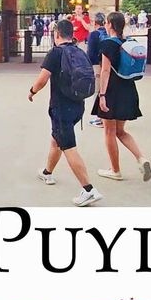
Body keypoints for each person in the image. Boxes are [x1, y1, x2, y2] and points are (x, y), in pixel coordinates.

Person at [29, 19, 103, 207]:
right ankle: (47, 172)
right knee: (57, 140)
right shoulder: (80, 51)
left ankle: (88, 189)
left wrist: (32, 91)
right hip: (78, 105)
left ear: (56, 34)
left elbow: (42, 79)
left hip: (61, 107)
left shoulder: (56, 53)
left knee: (68, 146)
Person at [92, 12, 151, 182]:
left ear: (110, 24)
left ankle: (115, 169)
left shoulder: (107, 44)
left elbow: (105, 70)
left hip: (112, 90)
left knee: (109, 132)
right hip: (128, 89)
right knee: (121, 131)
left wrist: (102, 95)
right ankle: (141, 158)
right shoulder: (127, 42)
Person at [86, 12, 108, 127]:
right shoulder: (109, 33)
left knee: (98, 91)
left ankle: (100, 117)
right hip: (109, 66)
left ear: (95, 23)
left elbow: (90, 53)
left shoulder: (94, 34)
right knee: (107, 90)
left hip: (97, 65)